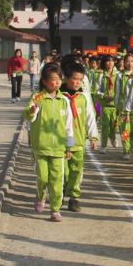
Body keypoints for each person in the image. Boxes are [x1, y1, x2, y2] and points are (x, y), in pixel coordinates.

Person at [23, 64, 74, 222]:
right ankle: (40, 195)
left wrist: (69, 146)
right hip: (41, 147)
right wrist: (32, 111)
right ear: (44, 81)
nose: (57, 83)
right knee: (43, 178)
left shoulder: (64, 100)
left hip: (59, 148)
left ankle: (55, 210)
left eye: (59, 80)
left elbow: (68, 125)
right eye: (53, 80)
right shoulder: (37, 97)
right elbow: (28, 115)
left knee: (57, 180)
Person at [60, 62, 98, 212]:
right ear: (66, 78)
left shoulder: (83, 97)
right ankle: (60, 191)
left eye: (81, 79)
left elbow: (90, 117)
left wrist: (93, 136)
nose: (78, 82)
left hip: (79, 141)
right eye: (75, 79)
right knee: (63, 171)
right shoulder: (59, 96)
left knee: (77, 171)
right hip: (61, 143)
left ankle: (74, 198)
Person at [96, 56, 120, 152]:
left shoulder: (118, 75)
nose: (110, 63)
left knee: (114, 125)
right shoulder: (101, 75)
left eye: (111, 61)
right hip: (105, 104)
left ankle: (113, 137)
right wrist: (104, 95)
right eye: (107, 61)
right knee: (105, 126)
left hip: (115, 104)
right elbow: (97, 90)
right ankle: (104, 146)